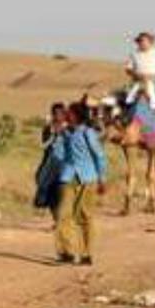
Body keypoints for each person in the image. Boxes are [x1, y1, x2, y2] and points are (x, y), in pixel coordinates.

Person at [51, 101, 108, 266]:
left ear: (75, 116)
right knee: (63, 214)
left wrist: (102, 178)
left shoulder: (88, 133)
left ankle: (86, 253)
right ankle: (66, 252)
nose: (65, 115)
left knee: (84, 215)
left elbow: (99, 156)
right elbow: (57, 154)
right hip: (68, 177)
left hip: (87, 177)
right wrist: (58, 136)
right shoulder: (66, 133)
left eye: (69, 113)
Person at [35, 103, 69, 223]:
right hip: (49, 162)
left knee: (61, 192)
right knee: (44, 186)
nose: (58, 116)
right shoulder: (48, 129)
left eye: (60, 114)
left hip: (65, 164)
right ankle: (57, 219)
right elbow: (44, 146)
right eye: (55, 114)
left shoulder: (69, 129)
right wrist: (53, 135)